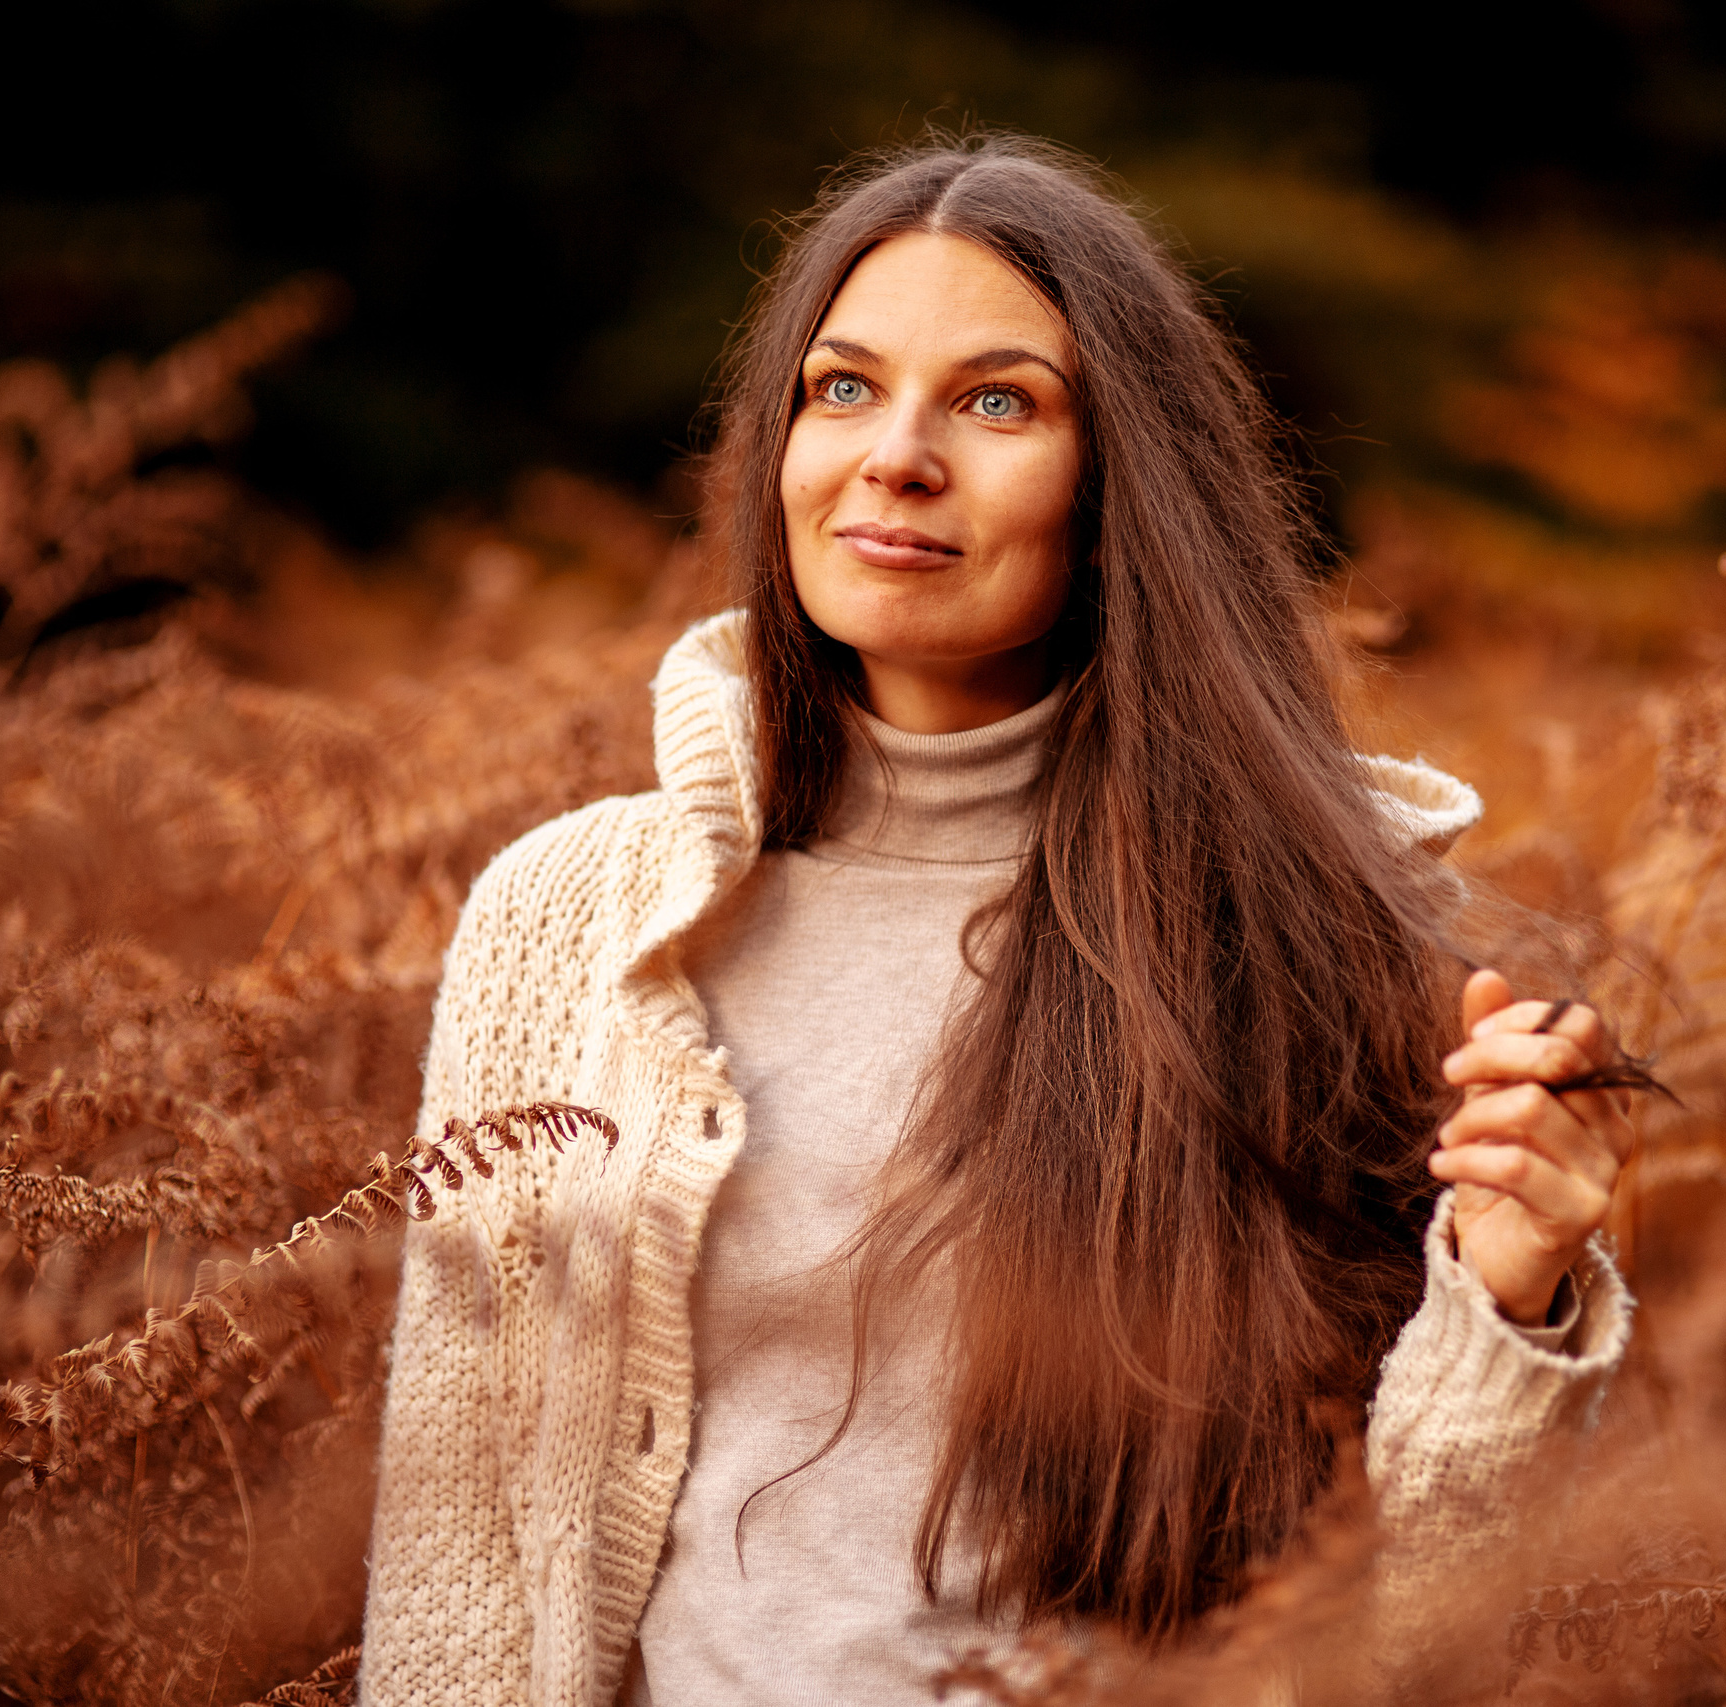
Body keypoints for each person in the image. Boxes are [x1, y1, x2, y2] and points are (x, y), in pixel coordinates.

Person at [360, 133, 1637, 1707]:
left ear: (1119, 491)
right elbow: (460, 1541)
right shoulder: (571, 923)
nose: (897, 454)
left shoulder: (1325, 941)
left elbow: (1426, 1625)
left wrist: (1508, 1301)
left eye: (996, 401)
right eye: (843, 388)